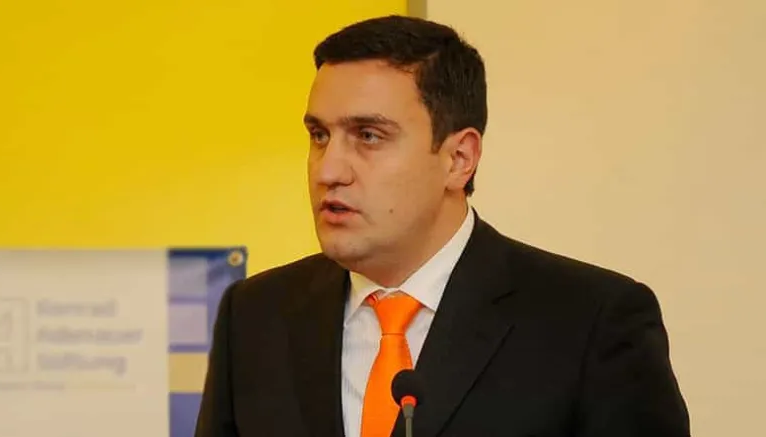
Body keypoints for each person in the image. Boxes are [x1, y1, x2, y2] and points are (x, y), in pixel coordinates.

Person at [195, 14, 690, 437]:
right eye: (319, 136)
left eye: (368, 136)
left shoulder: (589, 321)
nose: (329, 170)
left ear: (458, 159)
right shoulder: (255, 316)